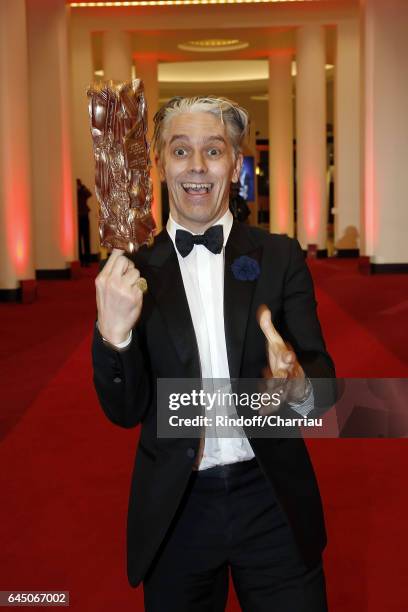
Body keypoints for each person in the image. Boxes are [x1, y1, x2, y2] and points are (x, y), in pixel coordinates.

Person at [92, 96, 335, 611]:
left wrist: (296, 388)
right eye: (181, 151)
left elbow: (325, 388)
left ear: (236, 162)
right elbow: (124, 410)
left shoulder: (279, 257)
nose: (197, 167)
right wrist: (114, 336)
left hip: (270, 497)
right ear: (160, 164)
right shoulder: (133, 272)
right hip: (178, 509)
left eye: (213, 151)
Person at [76, 178, 92, 266]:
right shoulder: (74, 193)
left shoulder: (83, 192)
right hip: (76, 217)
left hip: (84, 216)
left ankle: (87, 260)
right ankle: (80, 259)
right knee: (78, 240)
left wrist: (82, 188)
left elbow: (89, 194)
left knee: (86, 239)